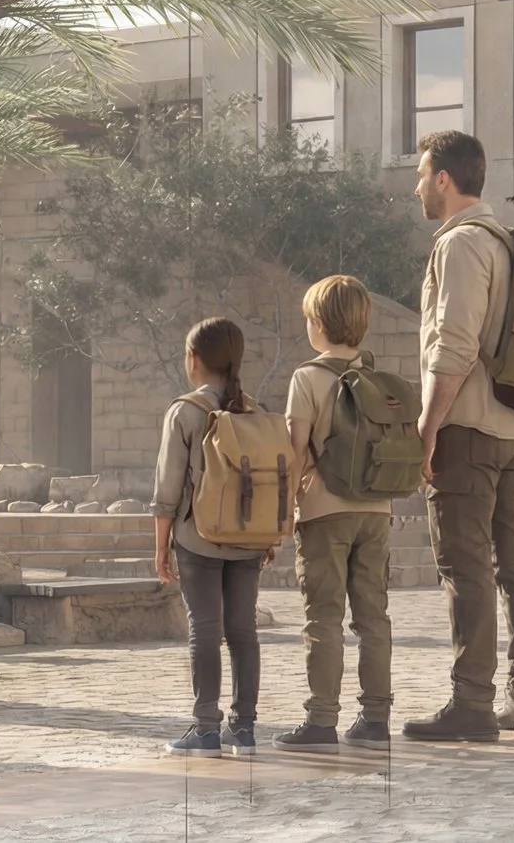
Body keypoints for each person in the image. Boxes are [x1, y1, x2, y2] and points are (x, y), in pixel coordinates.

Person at [401, 130, 514, 743]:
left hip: (468, 428)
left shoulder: (461, 245)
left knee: (465, 567)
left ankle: (471, 704)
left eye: (421, 173)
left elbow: (454, 346)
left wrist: (427, 426)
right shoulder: (508, 242)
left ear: (443, 178)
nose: (415, 185)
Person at [272, 275, 394, 753]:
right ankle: (376, 717)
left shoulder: (308, 377)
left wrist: (283, 516)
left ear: (318, 324)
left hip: (324, 511)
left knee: (323, 617)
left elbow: (294, 453)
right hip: (377, 509)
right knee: (373, 616)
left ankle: (321, 720)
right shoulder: (378, 378)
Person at [152, 316, 273, 757]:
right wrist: (269, 534)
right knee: (244, 630)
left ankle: (205, 729)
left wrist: (160, 546)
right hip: (248, 538)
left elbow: (167, 491)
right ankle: (244, 729)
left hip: (197, 537)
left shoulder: (184, 411)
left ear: (194, 359)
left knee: (204, 629)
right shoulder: (254, 411)